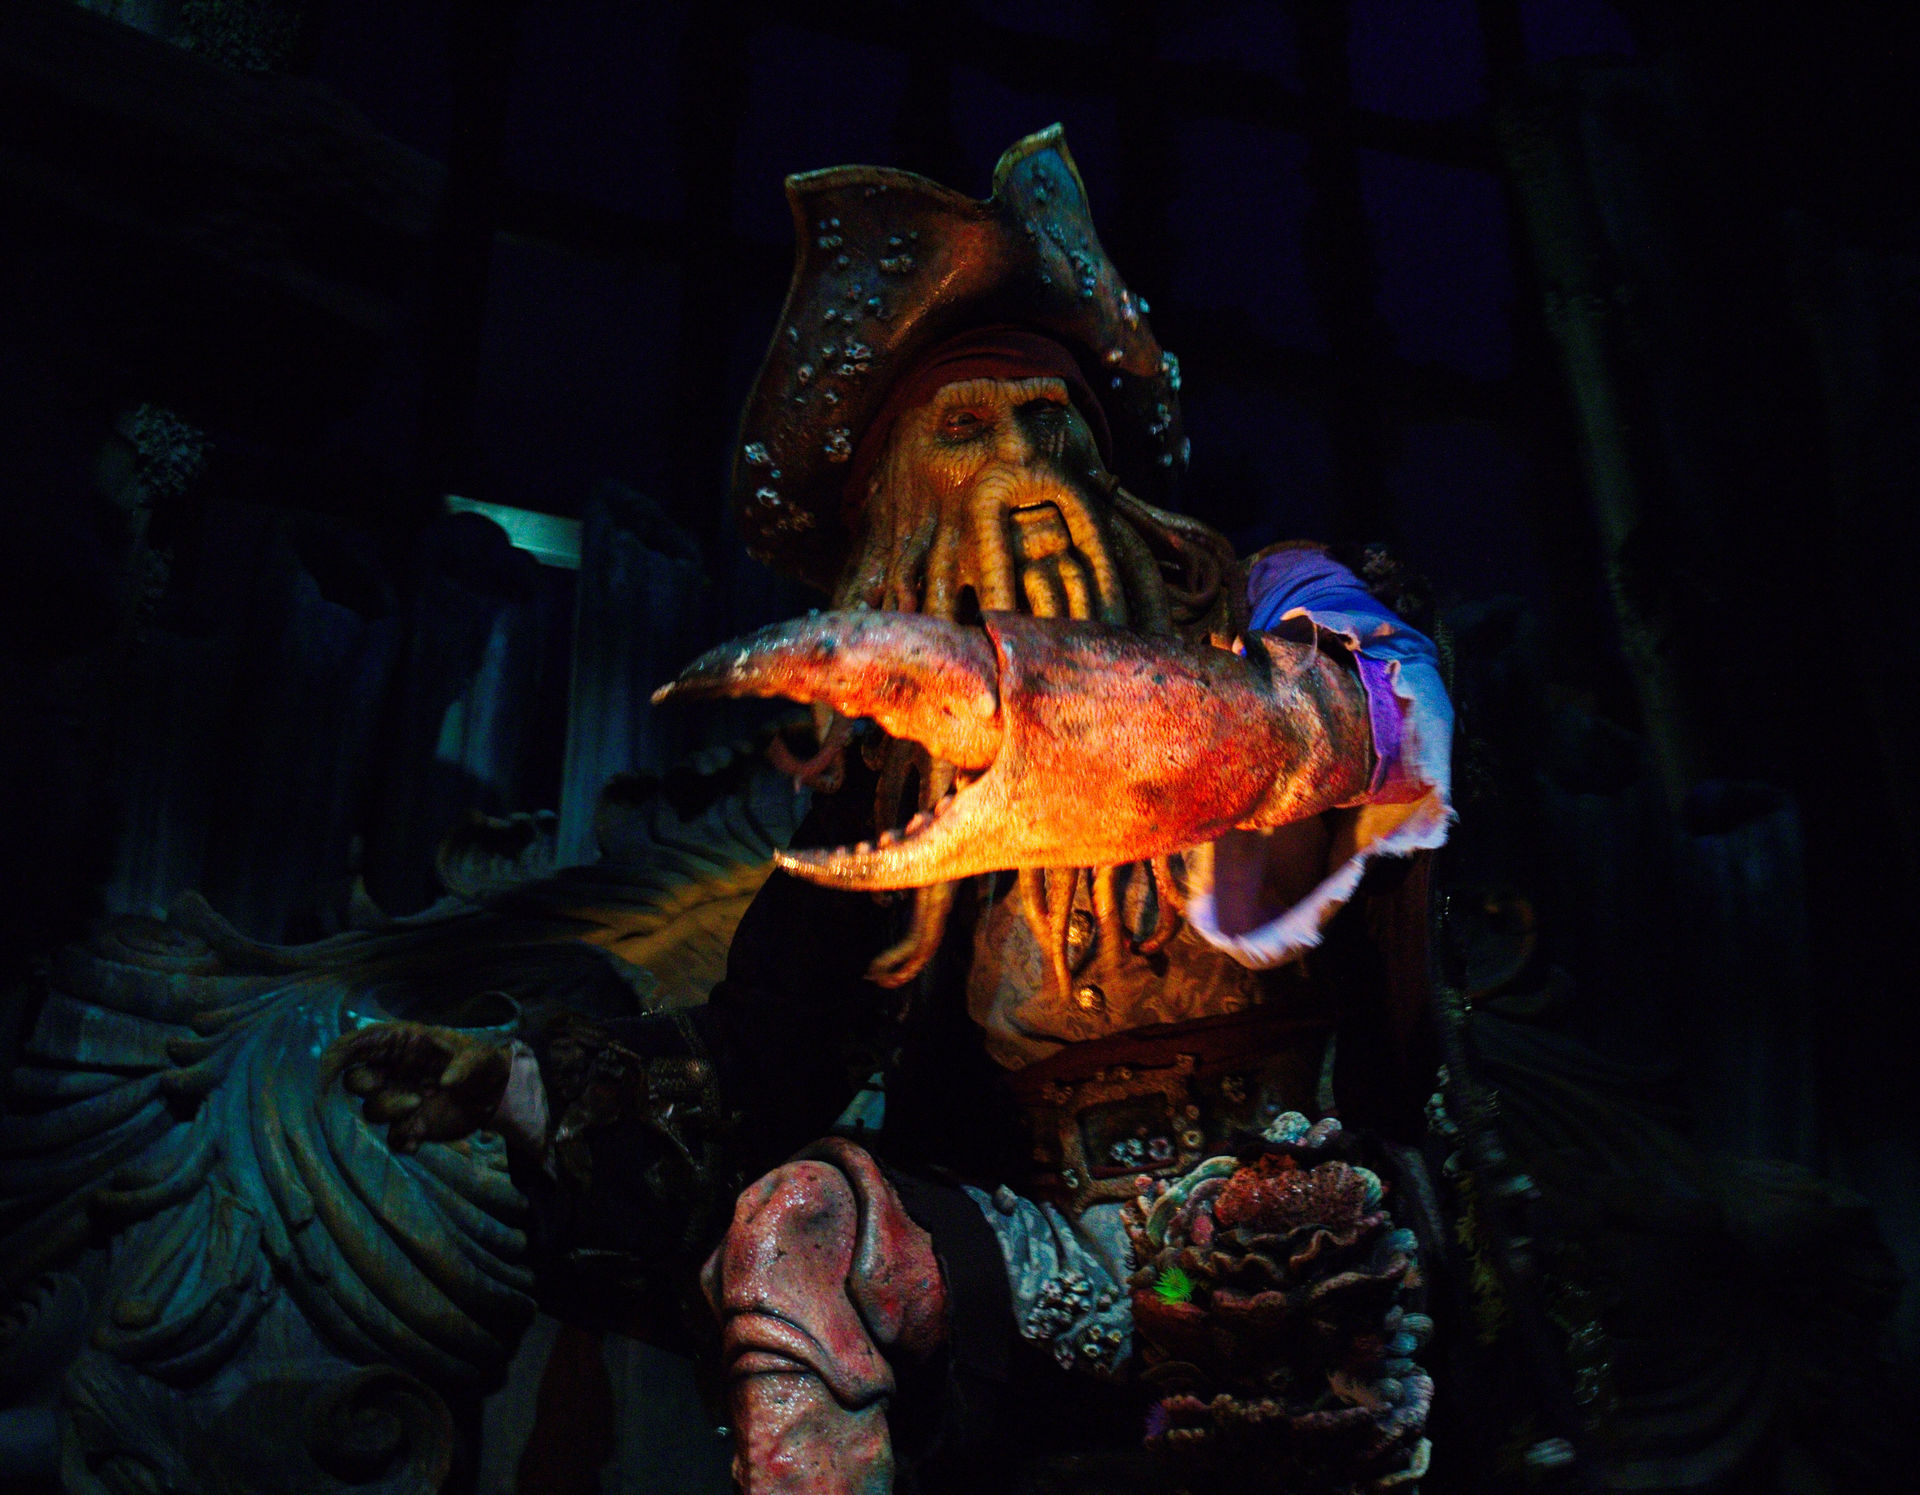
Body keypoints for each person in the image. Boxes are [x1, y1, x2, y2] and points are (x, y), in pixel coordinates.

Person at [331, 126, 1451, 1494]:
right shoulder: (896, 780)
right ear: (905, 508)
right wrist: (515, 1082)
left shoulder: (1277, 608)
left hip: (1322, 1223)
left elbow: (1398, 723)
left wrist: (1133, 717)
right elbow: (765, 1052)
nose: (1027, 466)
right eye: (967, 435)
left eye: (1052, 425)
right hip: (1065, 1253)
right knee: (792, 1228)